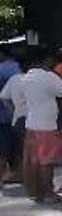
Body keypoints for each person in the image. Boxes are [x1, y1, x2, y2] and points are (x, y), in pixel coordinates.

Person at [22, 46, 62, 203]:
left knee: (34, 159)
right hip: (49, 123)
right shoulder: (49, 76)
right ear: (46, 60)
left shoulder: (26, 77)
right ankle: (49, 193)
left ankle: (37, 191)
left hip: (32, 122)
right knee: (47, 161)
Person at [0, 46, 21, 185]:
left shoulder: (2, 69)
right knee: (14, 145)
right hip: (13, 113)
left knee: (4, 146)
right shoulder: (17, 68)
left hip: (4, 113)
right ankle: (16, 172)